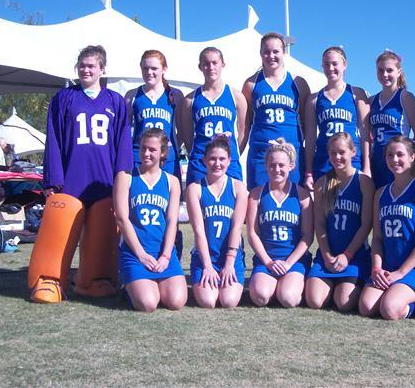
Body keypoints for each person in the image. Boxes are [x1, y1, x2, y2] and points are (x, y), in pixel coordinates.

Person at [28, 45, 133, 303]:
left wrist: (123, 180)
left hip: (103, 181)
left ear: (102, 69)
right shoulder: (64, 98)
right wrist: (53, 179)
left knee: (101, 236)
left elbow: (123, 146)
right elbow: (53, 139)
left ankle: (94, 279)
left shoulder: (116, 102)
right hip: (72, 179)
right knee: (59, 234)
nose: (86, 70)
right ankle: (49, 281)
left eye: (91, 66)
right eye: (82, 65)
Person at [359, 136, 415, 320]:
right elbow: (377, 238)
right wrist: (377, 269)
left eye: (400, 154)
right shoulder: (380, 194)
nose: (395, 160)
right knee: (366, 307)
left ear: (412, 157)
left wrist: (401, 273)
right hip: (388, 266)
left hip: (414, 267)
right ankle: (399, 292)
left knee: (390, 309)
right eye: (390, 155)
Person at [114, 128, 187, 312]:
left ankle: (152, 284)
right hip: (135, 253)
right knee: (148, 304)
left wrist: (166, 255)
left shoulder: (172, 181)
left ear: (162, 152)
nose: (146, 153)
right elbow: (122, 219)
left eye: (152, 150)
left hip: (162, 253)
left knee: (176, 302)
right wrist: (141, 254)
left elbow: (172, 221)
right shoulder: (126, 177)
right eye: (143, 148)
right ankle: (128, 285)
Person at [305, 132, 374, 312]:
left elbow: (366, 225)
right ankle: (331, 283)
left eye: (342, 152)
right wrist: (327, 256)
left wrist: (347, 255)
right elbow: (319, 224)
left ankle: (344, 285)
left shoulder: (364, 182)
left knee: (344, 302)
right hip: (327, 255)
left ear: (353, 152)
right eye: (333, 153)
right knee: (314, 301)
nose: (337, 157)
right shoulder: (322, 183)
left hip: (354, 257)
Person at [246, 139, 313, 307]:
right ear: (266, 166)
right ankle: (275, 284)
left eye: (282, 165)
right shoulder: (256, 194)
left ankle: (291, 284)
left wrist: (289, 263)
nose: (277, 169)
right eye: (272, 165)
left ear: (291, 166)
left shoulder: (302, 195)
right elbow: (253, 234)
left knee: (288, 299)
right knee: (260, 297)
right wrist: (268, 262)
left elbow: (307, 236)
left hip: (293, 260)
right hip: (267, 260)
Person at [242, 32, 311, 189]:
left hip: (291, 153)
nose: (271, 56)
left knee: (293, 202)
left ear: (283, 52)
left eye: (275, 51)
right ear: (261, 54)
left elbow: (305, 123)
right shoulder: (251, 84)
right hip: (261, 154)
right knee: (259, 201)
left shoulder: (298, 83)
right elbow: (247, 122)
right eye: (266, 52)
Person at [186, 135, 247, 308]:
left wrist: (229, 264)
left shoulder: (238, 188)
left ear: (229, 161)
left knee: (228, 301)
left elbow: (236, 228)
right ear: (204, 160)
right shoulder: (195, 189)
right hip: (205, 257)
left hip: (230, 257)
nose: (217, 163)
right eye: (212, 159)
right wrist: (207, 266)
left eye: (222, 159)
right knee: (208, 302)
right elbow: (198, 230)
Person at [304, 47, 370, 189]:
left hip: (352, 161)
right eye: (326, 64)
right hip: (324, 161)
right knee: (325, 209)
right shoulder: (314, 99)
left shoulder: (357, 94)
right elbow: (310, 139)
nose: (330, 68)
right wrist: (309, 172)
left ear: (344, 65)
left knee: (352, 206)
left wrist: (367, 167)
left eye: (335, 63)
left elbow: (365, 134)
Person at [184, 47, 246, 184]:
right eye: (206, 63)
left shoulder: (236, 96)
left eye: (214, 62)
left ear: (222, 65)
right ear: (200, 67)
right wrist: (197, 154)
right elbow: (187, 136)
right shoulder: (190, 100)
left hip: (228, 161)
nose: (210, 67)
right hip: (200, 161)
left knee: (232, 202)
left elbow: (243, 132)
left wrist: (232, 154)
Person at [369, 50, 415, 188]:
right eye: (380, 70)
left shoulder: (406, 97)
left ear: (399, 72)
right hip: (377, 162)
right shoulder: (371, 101)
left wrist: (411, 163)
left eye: (389, 70)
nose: (385, 75)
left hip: (399, 162)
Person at [125, 50, 184, 179]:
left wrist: (168, 149)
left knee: (169, 197)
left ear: (164, 69)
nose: (149, 72)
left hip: (167, 158)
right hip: (140, 157)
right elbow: (125, 131)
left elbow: (183, 130)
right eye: (145, 68)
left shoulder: (175, 95)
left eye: (154, 68)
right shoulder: (132, 96)